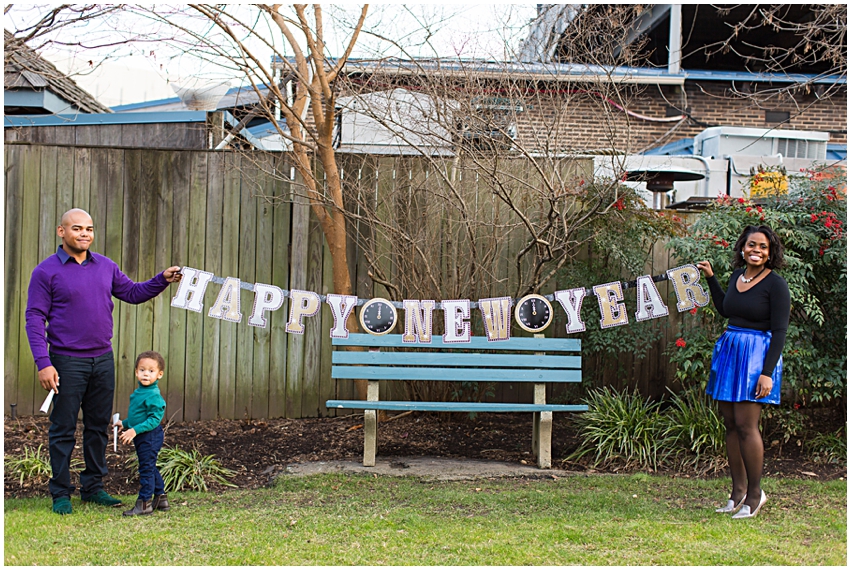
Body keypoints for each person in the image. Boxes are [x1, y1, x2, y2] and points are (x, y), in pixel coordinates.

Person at [25, 208, 182, 515]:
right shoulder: (46, 272)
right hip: (66, 361)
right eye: (77, 229)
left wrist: (161, 280)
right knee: (63, 428)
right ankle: (60, 494)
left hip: (102, 359)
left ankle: (93, 488)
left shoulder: (105, 266)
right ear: (61, 232)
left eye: (89, 229)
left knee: (98, 426)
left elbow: (134, 293)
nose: (84, 234)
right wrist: (44, 362)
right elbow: (34, 317)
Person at [696, 224, 790, 520]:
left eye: (763, 247)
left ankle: (755, 494)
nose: (756, 251)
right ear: (743, 248)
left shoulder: (776, 285)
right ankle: (737, 492)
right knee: (730, 424)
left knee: (747, 425)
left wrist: (767, 372)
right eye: (752, 245)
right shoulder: (738, 276)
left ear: (770, 252)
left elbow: (780, 332)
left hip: (756, 357)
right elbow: (726, 309)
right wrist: (712, 279)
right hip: (731, 351)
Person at [115, 351, 169, 516]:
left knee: (146, 468)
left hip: (150, 436)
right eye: (142, 370)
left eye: (151, 371)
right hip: (142, 435)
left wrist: (134, 430)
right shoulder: (139, 392)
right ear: (136, 372)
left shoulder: (154, 395)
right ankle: (160, 498)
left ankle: (144, 503)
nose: (146, 374)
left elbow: (153, 420)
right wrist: (124, 423)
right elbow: (138, 416)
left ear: (159, 375)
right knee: (150, 466)